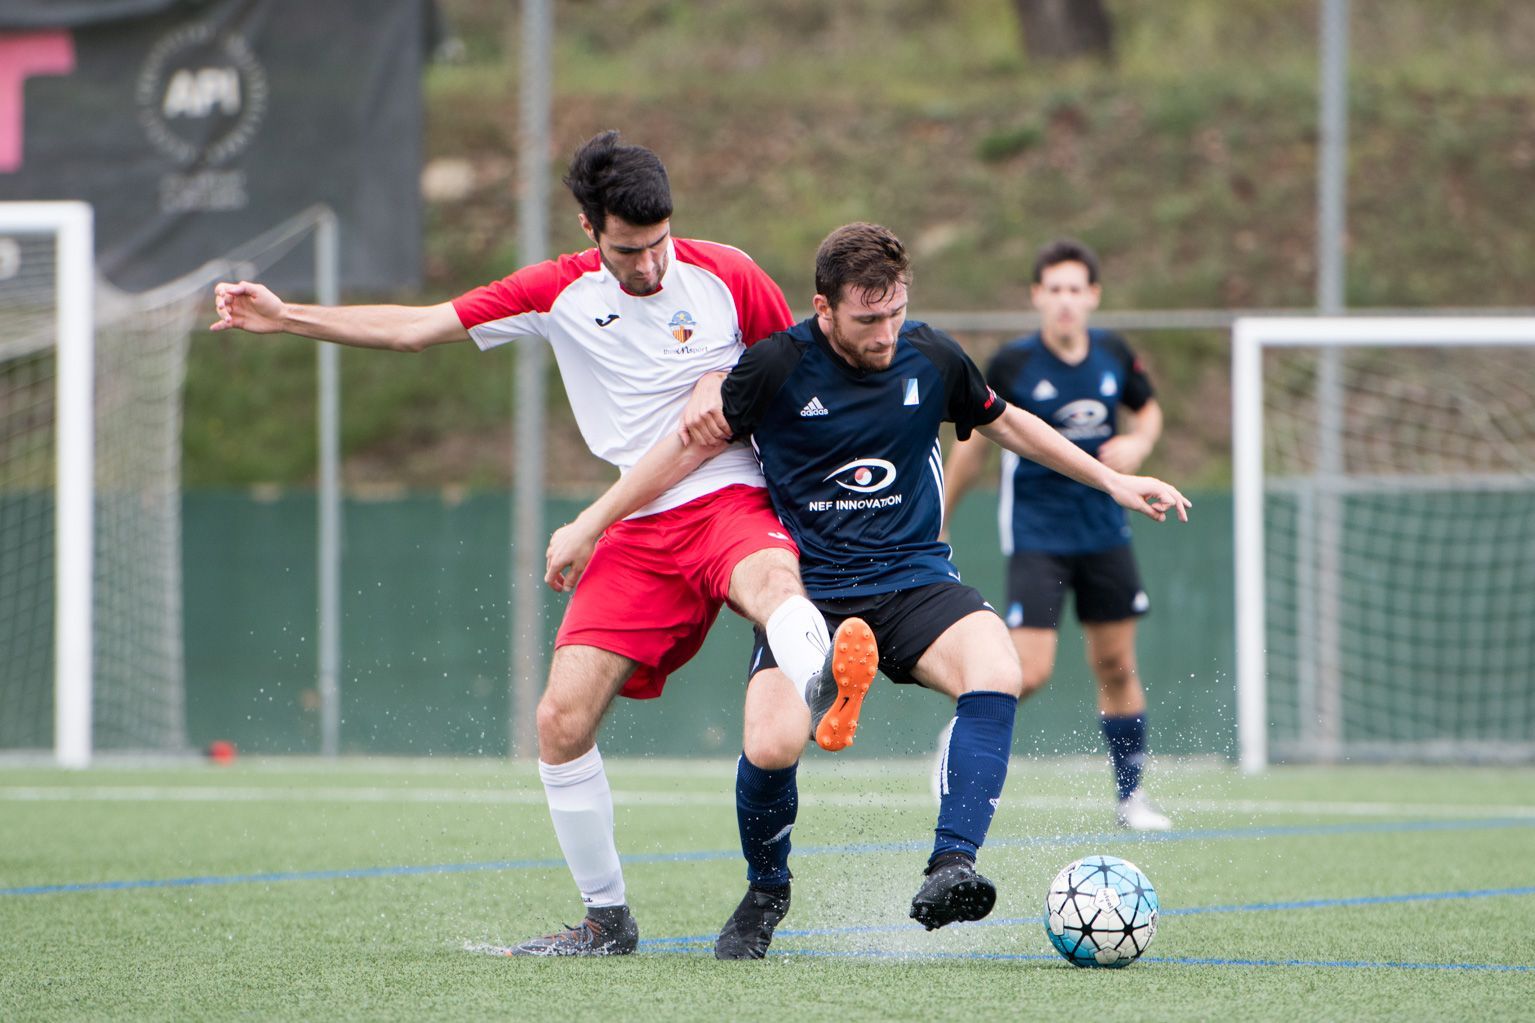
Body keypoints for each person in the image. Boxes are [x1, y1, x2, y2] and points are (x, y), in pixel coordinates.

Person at [210, 131, 878, 957]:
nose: (650, 265)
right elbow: (416, 328)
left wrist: (734, 384)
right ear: (589, 229)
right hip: (638, 527)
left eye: (660, 242)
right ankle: (606, 920)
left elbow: (801, 372)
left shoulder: (728, 274)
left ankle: (822, 676)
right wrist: (287, 316)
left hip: (733, 499)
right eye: (628, 250)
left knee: (775, 585)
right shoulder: (553, 291)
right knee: (559, 718)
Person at [547, 223, 1190, 957]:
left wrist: (1112, 479)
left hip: (915, 580)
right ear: (823, 307)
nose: (885, 333)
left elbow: (1008, 424)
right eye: (866, 319)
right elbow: (683, 448)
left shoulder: (931, 356)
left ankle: (951, 864)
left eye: (895, 313)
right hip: (813, 597)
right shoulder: (775, 366)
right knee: (769, 742)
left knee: (997, 668)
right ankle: (766, 890)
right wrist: (592, 522)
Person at [942, 238, 1174, 831]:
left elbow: (1148, 409)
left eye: (1076, 289)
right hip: (1037, 534)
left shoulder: (1114, 354)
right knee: (1030, 670)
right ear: (1037, 296)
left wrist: (1140, 442)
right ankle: (963, 735)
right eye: (1054, 290)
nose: (1065, 300)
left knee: (1116, 664)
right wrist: (939, 515)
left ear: (1093, 295)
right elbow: (973, 447)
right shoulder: (1013, 365)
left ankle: (1131, 798)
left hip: (1105, 531)